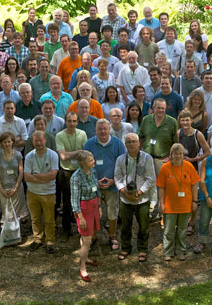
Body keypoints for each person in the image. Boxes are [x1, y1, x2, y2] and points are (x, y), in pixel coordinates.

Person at [83, 119, 126, 249]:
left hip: (112, 185)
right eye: (100, 129)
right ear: (95, 130)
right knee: (93, 211)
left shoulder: (118, 144)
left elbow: (123, 165)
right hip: (94, 185)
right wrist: (93, 181)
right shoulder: (89, 144)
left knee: (112, 211)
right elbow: (84, 166)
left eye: (105, 129)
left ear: (109, 129)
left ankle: (112, 236)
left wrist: (114, 180)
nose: (102, 131)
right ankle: (93, 236)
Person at [114, 133, 155, 262]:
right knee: (125, 225)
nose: (131, 144)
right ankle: (125, 247)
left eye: (133, 141)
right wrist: (124, 192)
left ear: (139, 144)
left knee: (143, 226)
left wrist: (139, 192)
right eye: (128, 142)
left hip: (142, 199)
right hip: (125, 199)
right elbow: (117, 177)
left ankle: (142, 249)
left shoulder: (147, 158)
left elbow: (151, 179)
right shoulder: (120, 159)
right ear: (125, 145)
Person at [157, 143, 199, 261]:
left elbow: (194, 184)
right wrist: (161, 203)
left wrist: (195, 201)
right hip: (170, 206)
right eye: (175, 153)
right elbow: (161, 187)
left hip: (185, 205)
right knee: (169, 231)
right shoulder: (165, 168)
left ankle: (180, 250)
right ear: (171, 155)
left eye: (180, 153)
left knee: (182, 230)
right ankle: (168, 252)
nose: (178, 156)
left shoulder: (189, 166)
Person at [138, 98, 178, 216]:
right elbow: (140, 137)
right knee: (147, 185)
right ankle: (148, 211)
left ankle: (162, 211)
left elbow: (175, 142)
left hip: (162, 159)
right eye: (158, 108)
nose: (160, 110)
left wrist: (171, 157)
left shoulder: (172, 122)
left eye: (163, 108)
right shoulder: (146, 120)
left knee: (163, 186)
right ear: (153, 108)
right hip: (146, 158)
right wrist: (139, 153)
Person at [24, 131, 60, 253]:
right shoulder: (29, 156)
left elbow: (53, 175)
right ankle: (37, 238)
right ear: (33, 142)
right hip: (32, 192)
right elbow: (27, 177)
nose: (38, 143)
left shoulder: (53, 155)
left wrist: (37, 176)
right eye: (36, 141)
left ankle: (50, 240)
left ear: (45, 140)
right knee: (35, 218)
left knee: (49, 219)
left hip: (48, 193)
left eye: (40, 140)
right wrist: (44, 177)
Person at [56, 112, 88, 241]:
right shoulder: (59, 135)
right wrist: (79, 152)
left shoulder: (82, 134)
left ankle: (83, 230)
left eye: (74, 121)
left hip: (80, 171)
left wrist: (73, 154)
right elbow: (63, 156)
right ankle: (66, 230)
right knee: (67, 202)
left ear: (77, 122)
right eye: (69, 121)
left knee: (82, 202)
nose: (72, 124)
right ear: (65, 122)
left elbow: (85, 154)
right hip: (66, 172)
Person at [70, 150, 101, 282]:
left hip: (93, 205)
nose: (93, 162)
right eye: (91, 160)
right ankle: (82, 268)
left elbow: (97, 188)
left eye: (93, 159)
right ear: (82, 163)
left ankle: (86, 257)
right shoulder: (76, 178)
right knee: (87, 241)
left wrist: (99, 206)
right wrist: (80, 217)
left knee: (87, 237)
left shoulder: (92, 171)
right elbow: (74, 200)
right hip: (84, 209)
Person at [0, 132, 29, 224]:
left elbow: (21, 172)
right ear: (1, 143)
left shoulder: (18, 155)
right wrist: (0, 189)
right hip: (3, 187)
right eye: (4, 142)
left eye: (9, 142)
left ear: (13, 142)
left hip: (16, 187)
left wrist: (16, 188)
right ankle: (8, 234)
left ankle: (16, 234)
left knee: (16, 213)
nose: (7, 144)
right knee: (7, 212)